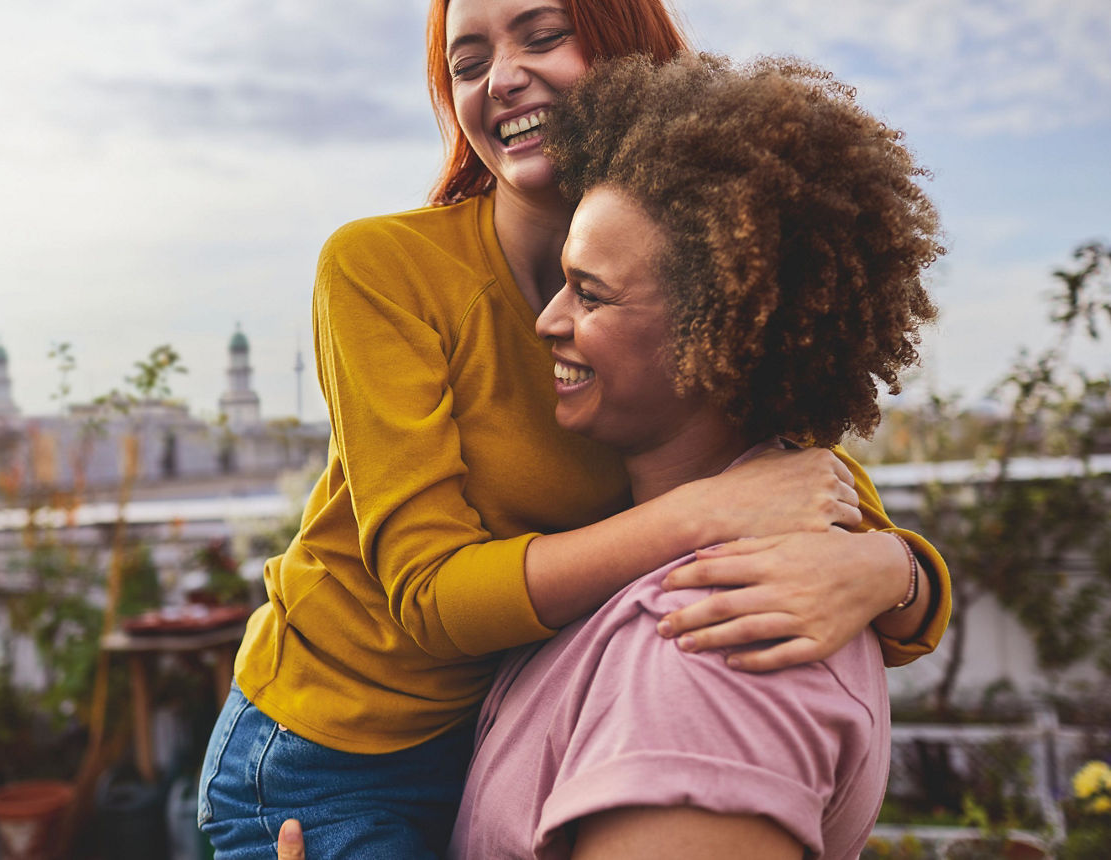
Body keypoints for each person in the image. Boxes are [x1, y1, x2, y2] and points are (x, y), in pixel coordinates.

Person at [200, 1, 951, 857]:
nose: (502, 76)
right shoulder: (385, 272)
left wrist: (885, 568)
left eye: (543, 35)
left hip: (511, 722)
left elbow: (818, 499)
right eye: (468, 62)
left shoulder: (721, 284)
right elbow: (431, 597)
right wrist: (702, 517)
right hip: (338, 754)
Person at [447, 51, 941, 858]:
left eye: (591, 293)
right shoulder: (658, 556)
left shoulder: (711, 647)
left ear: (723, 335)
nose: (547, 321)